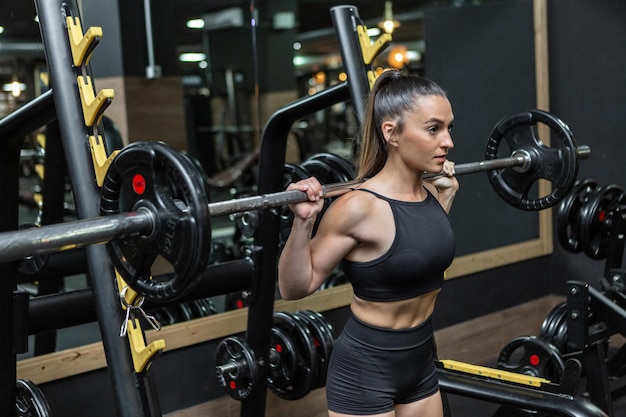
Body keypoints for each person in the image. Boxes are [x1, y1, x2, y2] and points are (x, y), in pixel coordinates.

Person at [277, 69, 459, 417]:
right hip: (366, 370)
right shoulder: (357, 206)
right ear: (391, 132)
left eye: (449, 128)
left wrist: (444, 201)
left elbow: (417, 254)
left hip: (420, 362)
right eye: (434, 128)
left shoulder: (432, 193)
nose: (448, 141)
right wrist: (303, 222)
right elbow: (294, 287)